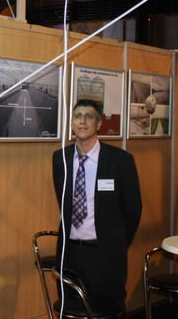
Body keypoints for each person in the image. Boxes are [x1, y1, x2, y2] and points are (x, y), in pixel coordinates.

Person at [52, 99, 142, 313]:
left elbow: (133, 209)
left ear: (99, 124)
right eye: (77, 116)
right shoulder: (60, 159)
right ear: (71, 123)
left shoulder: (120, 160)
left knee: (107, 310)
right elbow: (63, 202)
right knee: (71, 310)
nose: (82, 121)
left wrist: (116, 241)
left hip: (105, 255)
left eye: (89, 116)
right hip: (70, 253)